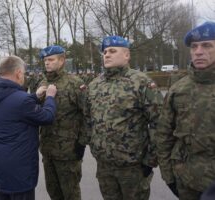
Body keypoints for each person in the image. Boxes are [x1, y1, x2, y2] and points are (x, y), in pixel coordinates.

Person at [84, 35, 163, 200]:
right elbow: (88, 119)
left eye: (112, 51)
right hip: (104, 166)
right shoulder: (94, 85)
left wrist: (150, 160)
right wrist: (94, 146)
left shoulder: (141, 82)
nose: (106, 55)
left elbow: (159, 122)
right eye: (105, 52)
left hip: (133, 167)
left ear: (126, 55)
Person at [0, 55, 57, 200]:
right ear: (18, 73)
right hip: (19, 171)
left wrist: (34, 97)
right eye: (23, 73)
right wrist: (49, 97)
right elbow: (47, 117)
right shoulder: (21, 100)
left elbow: (12, 108)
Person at [156, 21, 215, 200]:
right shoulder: (178, 89)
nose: (198, 51)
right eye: (194, 47)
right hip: (187, 181)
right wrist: (169, 177)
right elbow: (164, 136)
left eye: (207, 46)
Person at [38, 45, 87, 200]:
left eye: (51, 59)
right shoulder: (41, 83)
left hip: (68, 152)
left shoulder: (74, 83)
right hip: (47, 150)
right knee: (53, 192)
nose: (47, 63)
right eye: (45, 60)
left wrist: (82, 143)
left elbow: (88, 115)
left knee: (71, 193)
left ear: (62, 60)